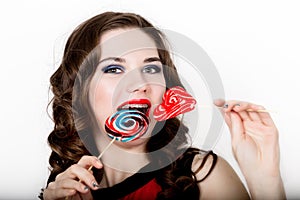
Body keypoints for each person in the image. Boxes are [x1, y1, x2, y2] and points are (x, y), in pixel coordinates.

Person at [40, 11, 286, 200]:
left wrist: (265, 180)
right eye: (114, 68)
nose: (140, 84)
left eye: (150, 68)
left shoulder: (202, 176)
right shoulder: (64, 188)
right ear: (80, 91)